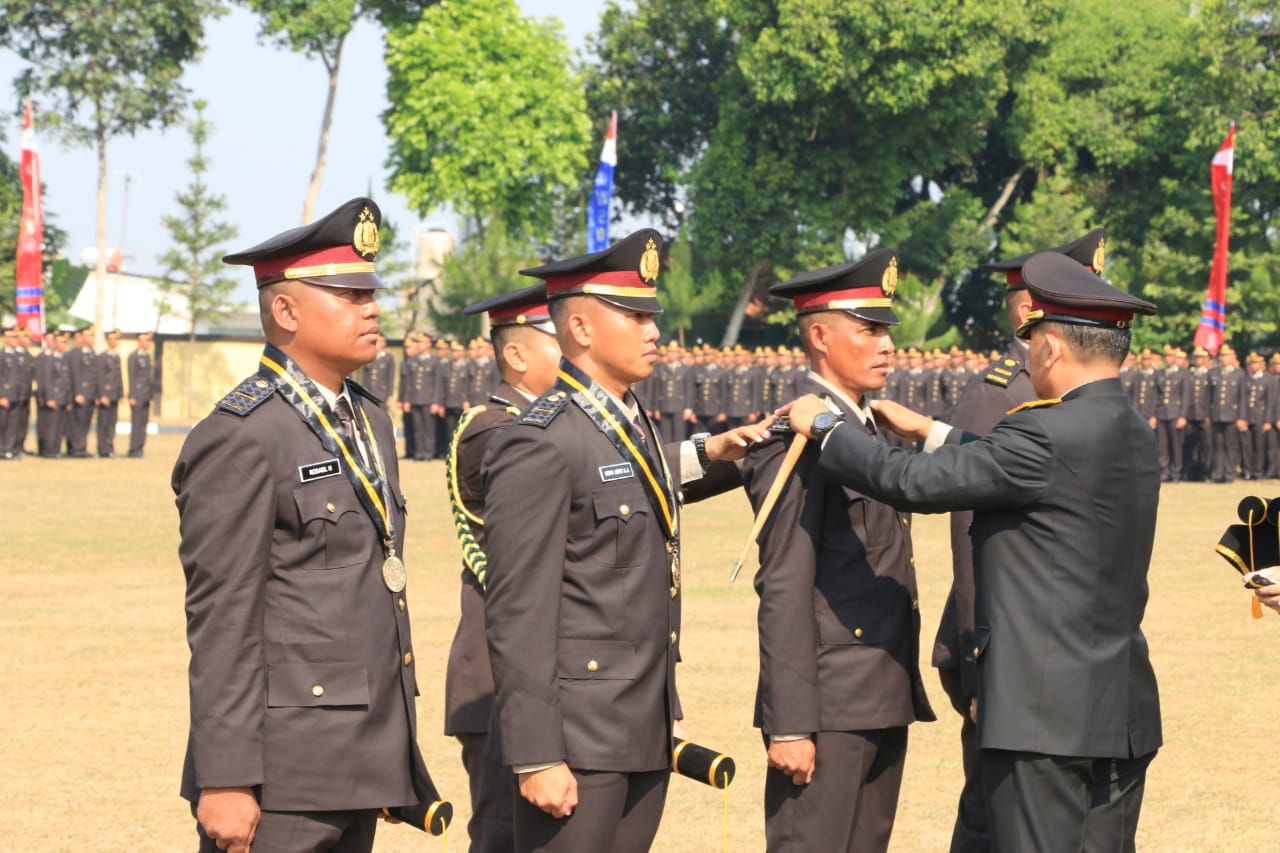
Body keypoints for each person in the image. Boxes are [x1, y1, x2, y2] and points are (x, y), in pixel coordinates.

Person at [783, 251, 1162, 853]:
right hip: (1119, 710)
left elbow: (911, 484)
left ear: (1051, 348)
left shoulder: (1042, 431)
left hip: (1044, 720)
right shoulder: (1132, 429)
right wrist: (934, 432)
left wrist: (828, 429)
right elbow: (1027, 471)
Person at [480, 228, 768, 853]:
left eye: (651, 316)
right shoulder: (541, 438)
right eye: (635, 316)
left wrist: (721, 450)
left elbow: (642, 487)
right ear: (580, 329)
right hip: (578, 737)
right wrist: (535, 754)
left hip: (642, 718)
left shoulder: (625, 420)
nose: (653, 331)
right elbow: (517, 608)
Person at [173, 197, 436, 853]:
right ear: (285, 311)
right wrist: (227, 776)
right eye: (348, 295)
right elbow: (223, 617)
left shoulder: (369, 417)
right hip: (280, 774)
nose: (372, 308)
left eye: (371, 293)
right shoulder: (243, 434)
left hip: (360, 755)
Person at [743, 249, 935, 853]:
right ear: (820, 336)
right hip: (828, 704)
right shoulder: (799, 438)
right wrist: (791, 721)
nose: (886, 345)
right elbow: (784, 585)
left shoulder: (868, 428)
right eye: (869, 330)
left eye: (887, 332)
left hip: (882, 688)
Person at [935, 227, 1105, 853]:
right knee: (991, 816)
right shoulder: (1002, 390)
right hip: (1002, 652)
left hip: (1058, 651)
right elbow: (970, 536)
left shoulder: (1078, 386)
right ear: (1038, 308)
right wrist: (984, 668)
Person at [444, 283, 563, 853]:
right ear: (516, 355)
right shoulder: (494, 430)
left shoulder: (549, 425)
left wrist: (712, 455)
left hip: (551, 669)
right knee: (502, 838)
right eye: (561, 338)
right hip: (499, 675)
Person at [96, 329, 124, 457]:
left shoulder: (116, 356)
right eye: (113, 339)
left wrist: (121, 393)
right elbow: (100, 377)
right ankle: (102, 449)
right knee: (103, 423)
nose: (115, 342)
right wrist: (102, 395)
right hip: (105, 396)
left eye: (117, 339)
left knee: (112, 424)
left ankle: (109, 448)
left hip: (114, 396)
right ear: (108, 340)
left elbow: (118, 377)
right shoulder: (102, 357)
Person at [126, 332, 154, 457]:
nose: (148, 343)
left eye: (149, 340)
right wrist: (132, 395)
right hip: (137, 396)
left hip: (146, 395)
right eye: (145, 340)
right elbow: (132, 377)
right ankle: (133, 449)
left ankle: (140, 448)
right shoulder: (133, 356)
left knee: (143, 424)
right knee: (136, 423)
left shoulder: (147, 356)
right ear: (139, 341)